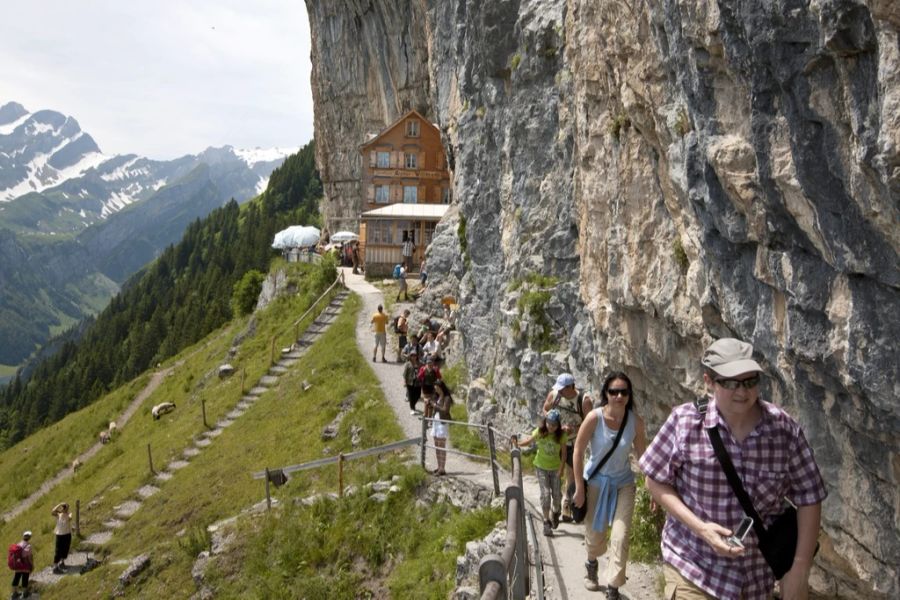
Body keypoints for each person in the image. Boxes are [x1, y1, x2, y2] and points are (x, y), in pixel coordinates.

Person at [639, 338, 827, 600]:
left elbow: (809, 496)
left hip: (756, 578)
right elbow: (654, 481)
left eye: (750, 381)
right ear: (709, 381)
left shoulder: (783, 430)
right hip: (693, 566)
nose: (743, 392)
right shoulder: (685, 422)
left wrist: (800, 568)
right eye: (730, 382)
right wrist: (701, 529)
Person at [573, 372, 648, 598]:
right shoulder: (594, 418)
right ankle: (592, 564)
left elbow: (643, 457)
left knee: (621, 535)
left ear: (629, 394)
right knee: (595, 534)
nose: (618, 396)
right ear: (606, 393)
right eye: (613, 391)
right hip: (596, 481)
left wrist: (654, 488)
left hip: (623, 483)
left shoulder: (636, 423)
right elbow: (577, 451)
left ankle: (613, 585)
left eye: (623, 392)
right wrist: (578, 488)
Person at [543, 373, 594, 522]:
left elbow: (591, 423)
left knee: (572, 473)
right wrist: (554, 423)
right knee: (554, 472)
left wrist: (574, 429)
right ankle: (557, 503)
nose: (559, 391)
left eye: (562, 389)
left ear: (571, 387)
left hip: (574, 443)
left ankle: (565, 504)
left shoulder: (584, 401)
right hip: (556, 441)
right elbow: (545, 409)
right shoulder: (555, 395)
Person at [513, 409, 568, 537]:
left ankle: (555, 512)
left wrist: (561, 469)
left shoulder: (561, 435)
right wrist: (518, 444)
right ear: (545, 422)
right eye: (549, 423)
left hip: (555, 468)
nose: (551, 427)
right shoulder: (540, 432)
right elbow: (529, 441)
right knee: (545, 494)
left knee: (557, 496)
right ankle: (546, 522)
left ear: (558, 425)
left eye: (554, 424)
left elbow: (564, 454)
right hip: (541, 467)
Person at [427, 380, 451, 476]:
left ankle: (442, 468)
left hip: (442, 423)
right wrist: (430, 404)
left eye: (436, 387)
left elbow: (445, 410)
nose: (435, 389)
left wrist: (435, 405)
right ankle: (439, 466)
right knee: (437, 446)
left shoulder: (447, 398)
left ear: (441, 387)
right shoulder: (436, 397)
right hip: (436, 423)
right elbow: (432, 407)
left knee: (441, 446)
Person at [9, 530, 33, 599]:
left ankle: (14, 593)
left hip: (18, 564)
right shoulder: (28, 546)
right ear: (29, 537)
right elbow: (28, 557)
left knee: (16, 578)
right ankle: (24, 594)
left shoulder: (18, 544)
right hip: (25, 565)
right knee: (25, 578)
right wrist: (31, 565)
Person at [51, 502, 73, 573]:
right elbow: (53, 511)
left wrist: (64, 511)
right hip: (60, 534)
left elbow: (70, 517)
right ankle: (55, 567)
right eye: (63, 507)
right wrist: (60, 504)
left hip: (67, 534)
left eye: (65, 507)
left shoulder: (69, 514)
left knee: (65, 548)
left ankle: (62, 562)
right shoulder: (58, 515)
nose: (64, 508)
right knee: (58, 550)